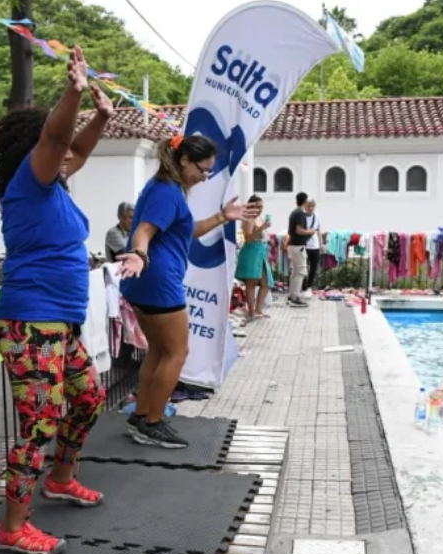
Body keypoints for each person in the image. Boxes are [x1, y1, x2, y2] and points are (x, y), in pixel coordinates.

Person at [0, 46, 114, 554]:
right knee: (39, 422)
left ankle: (60, 478)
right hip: (29, 323)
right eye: (56, 148)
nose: (68, 157)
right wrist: (73, 91)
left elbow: (73, 149)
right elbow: (59, 139)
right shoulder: (30, 186)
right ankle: (13, 526)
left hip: (58, 324)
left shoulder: (55, 184)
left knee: (87, 399)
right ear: (35, 150)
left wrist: (101, 117)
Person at [118, 133, 257, 450]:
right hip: (159, 283)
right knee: (177, 353)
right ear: (183, 160)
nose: (205, 176)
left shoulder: (165, 188)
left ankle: (141, 416)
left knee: (158, 351)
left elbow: (186, 230)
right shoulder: (167, 192)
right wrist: (140, 256)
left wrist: (223, 216)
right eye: (203, 169)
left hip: (146, 282)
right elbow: (143, 232)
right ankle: (152, 423)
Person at [234, 195, 273, 321]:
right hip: (251, 252)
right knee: (251, 283)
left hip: (260, 253)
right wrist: (262, 228)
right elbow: (248, 238)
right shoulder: (249, 219)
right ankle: (251, 312)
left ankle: (258, 309)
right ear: (250, 206)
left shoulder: (259, 218)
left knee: (266, 283)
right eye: (255, 206)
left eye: (260, 207)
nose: (258, 209)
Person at [286, 192, 315, 307]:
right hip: (298, 246)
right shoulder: (300, 214)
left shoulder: (294, 212)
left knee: (295, 271)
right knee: (301, 271)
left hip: (293, 245)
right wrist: (310, 231)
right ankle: (295, 297)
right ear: (305, 201)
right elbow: (298, 230)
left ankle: (292, 295)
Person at [302, 198, 324, 295]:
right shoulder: (301, 216)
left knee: (314, 268)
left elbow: (318, 230)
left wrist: (321, 244)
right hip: (304, 245)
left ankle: (308, 286)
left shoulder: (316, 215)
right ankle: (303, 286)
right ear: (305, 207)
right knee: (303, 267)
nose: (310, 208)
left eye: (312, 206)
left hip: (315, 246)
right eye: (308, 206)